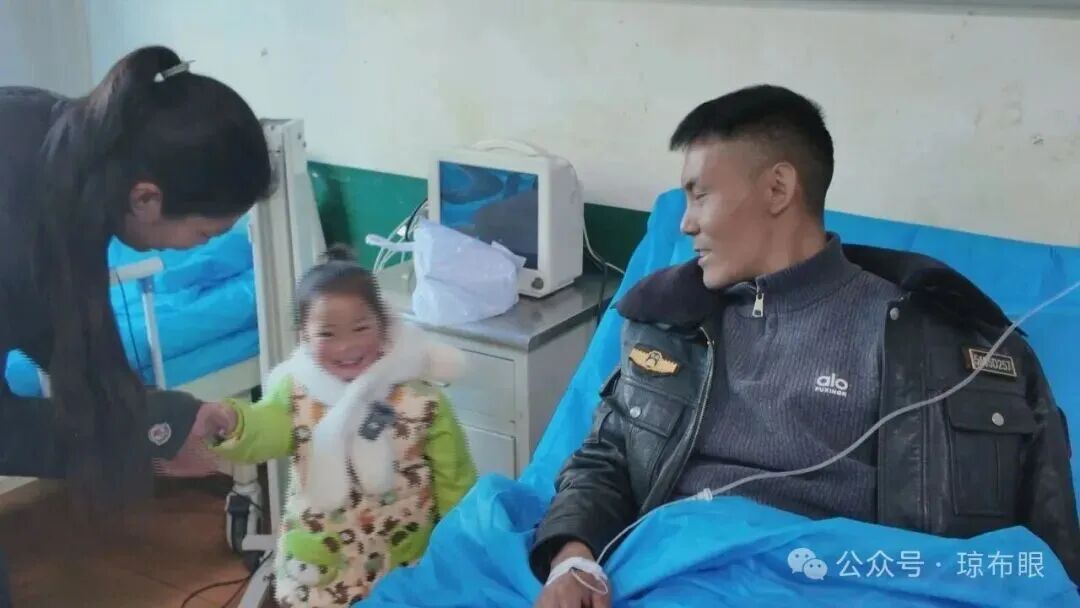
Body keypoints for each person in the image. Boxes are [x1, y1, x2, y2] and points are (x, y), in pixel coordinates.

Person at [530, 85, 1080, 607]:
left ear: (778, 189)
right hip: (667, 573)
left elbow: (1042, 556)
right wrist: (572, 557)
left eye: (699, 195)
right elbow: (607, 459)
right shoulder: (669, 323)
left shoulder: (947, 346)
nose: (686, 223)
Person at [0, 45, 270, 603]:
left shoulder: (68, 152)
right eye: (204, 235)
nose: (197, 247)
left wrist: (164, 418)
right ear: (146, 198)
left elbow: (57, 316)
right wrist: (144, 435)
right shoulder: (20, 219)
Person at [210, 245, 478, 607]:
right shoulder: (295, 391)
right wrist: (233, 423)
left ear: (383, 327)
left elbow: (455, 478)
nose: (346, 346)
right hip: (324, 562)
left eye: (361, 328)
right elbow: (265, 431)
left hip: (401, 557)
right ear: (304, 336)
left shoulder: (421, 399)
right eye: (328, 334)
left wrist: (463, 543)